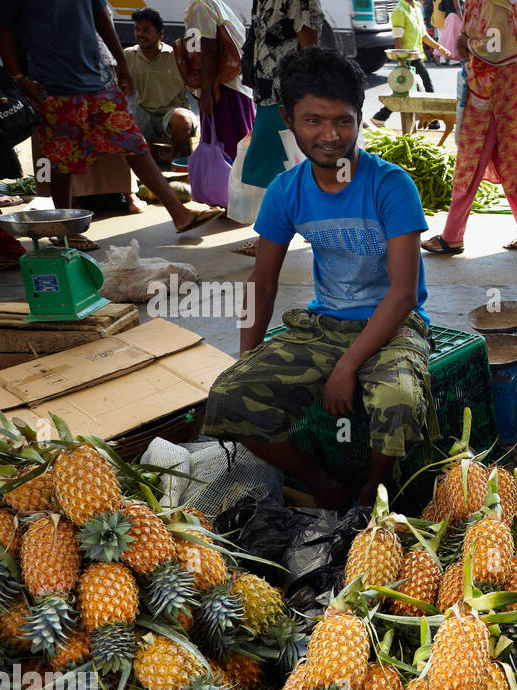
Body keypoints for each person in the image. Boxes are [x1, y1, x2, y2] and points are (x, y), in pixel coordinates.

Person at [204, 47, 437, 510]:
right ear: (289, 120)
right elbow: (262, 282)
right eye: (313, 121)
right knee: (228, 397)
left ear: (360, 118)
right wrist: (247, 357)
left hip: (394, 328)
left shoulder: (390, 185)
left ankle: (372, 494)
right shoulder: (286, 191)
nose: (330, 136)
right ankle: (323, 486)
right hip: (323, 326)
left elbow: (404, 292)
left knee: (398, 402)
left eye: (343, 121)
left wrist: (348, 367)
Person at [0, 0, 223, 238]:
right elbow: (1, 29)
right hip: (52, 86)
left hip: (98, 80)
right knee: (62, 161)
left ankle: (180, 214)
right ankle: (68, 232)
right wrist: (19, 78)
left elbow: (101, 16)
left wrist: (122, 65)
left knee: (133, 144)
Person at [422, 0, 517, 253]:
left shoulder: (493, 3)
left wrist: (465, 43)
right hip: (492, 99)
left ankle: (452, 236)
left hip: (488, 100)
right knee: (510, 164)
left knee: (469, 166)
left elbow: (497, 47)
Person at [236, 0, 324, 256]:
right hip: (266, 91)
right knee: (279, 167)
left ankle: (273, 236)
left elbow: (309, 42)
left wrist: (310, 91)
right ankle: (305, 227)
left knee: (278, 167)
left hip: (288, 91)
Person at [181, 0, 256, 163]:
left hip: (222, 90)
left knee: (226, 153)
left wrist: (206, 93)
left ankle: (226, 188)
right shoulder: (215, 4)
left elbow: (209, 50)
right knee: (239, 150)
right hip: (232, 87)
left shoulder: (201, 5)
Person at [125, 8, 195, 163]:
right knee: (123, 115)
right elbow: (120, 86)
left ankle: (173, 159)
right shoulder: (128, 55)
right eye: (137, 29)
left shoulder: (176, 55)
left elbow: (195, 82)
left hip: (171, 112)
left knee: (183, 120)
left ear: (160, 34)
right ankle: (151, 159)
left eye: (146, 30)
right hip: (144, 113)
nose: (140, 34)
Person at [369, 0, 450, 128]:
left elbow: (423, 35)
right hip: (406, 58)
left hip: (415, 56)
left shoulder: (416, 8)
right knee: (425, 88)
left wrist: (440, 47)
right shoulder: (399, 10)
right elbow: (397, 39)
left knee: (403, 92)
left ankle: (380, 117)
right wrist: (402, 61)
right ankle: (432, 120)